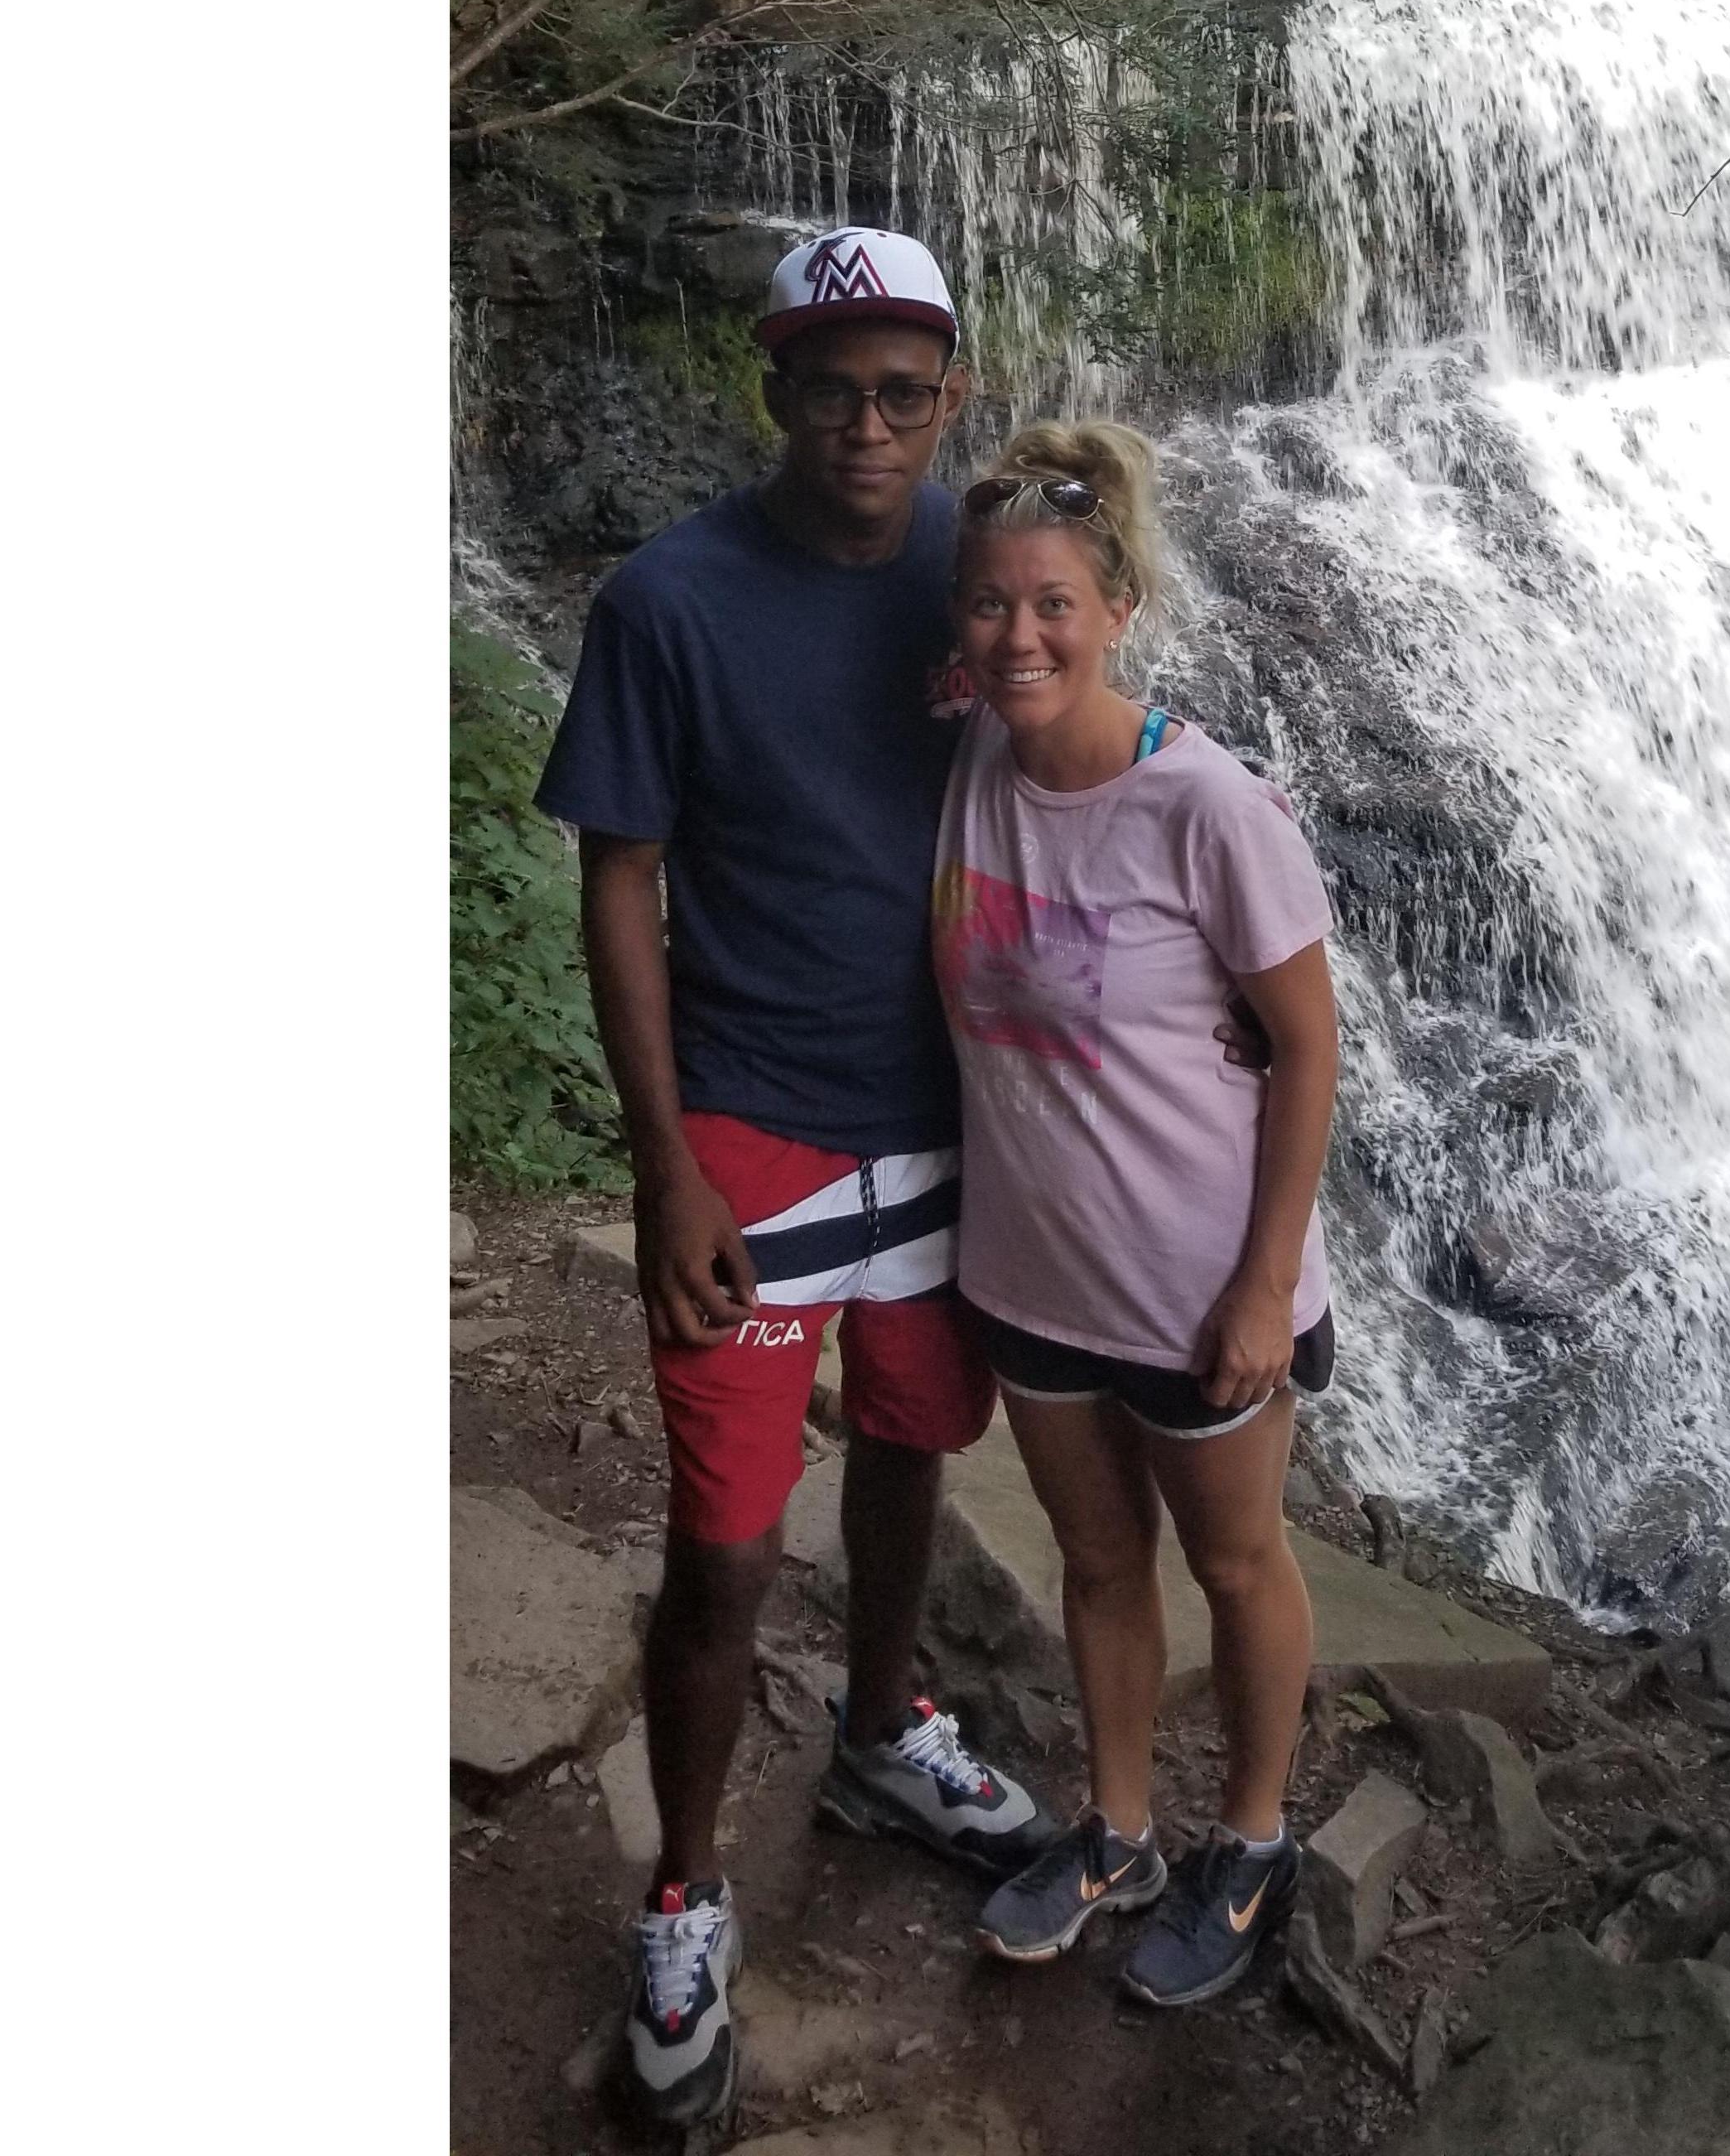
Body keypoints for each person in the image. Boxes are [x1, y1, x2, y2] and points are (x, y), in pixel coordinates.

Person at [534, 225, 1053, 2131]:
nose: (866, 426)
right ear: (774, 391)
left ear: (951, 396)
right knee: (727, 1544)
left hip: (952, 1112)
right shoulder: (670, 602)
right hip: (751, 1128)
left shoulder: (980, 579)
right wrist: (663, 1162)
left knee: (912, 1444)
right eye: (831, 390)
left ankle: (883, 1730)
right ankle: (684, 1890)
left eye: (903, 393)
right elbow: (619, 876)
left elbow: (1088, 770)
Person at [930, 422, 1344, 2009]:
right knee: (1099, 1563)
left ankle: (1254, 1840)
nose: (1018, 636)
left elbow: (1306, 1049)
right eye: (989, 604)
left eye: (1054, 604)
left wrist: (1265, 1287)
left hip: (1197, 1290)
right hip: (1032, 1274)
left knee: (1235, 1566)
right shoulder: (972, 756)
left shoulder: (1209, 808)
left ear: (1118, 609)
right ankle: (1117, 1834)